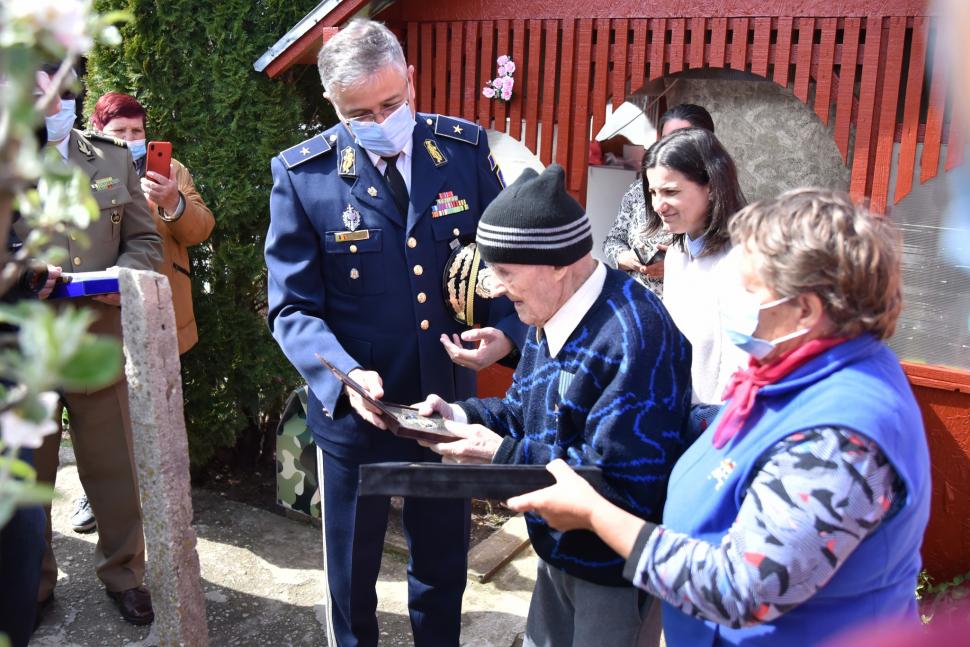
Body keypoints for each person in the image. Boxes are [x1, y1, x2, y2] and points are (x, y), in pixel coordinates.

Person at [508, 188, 931, 647]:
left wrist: (595, 514)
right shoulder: (798, 372)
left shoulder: (840, 435)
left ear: (806, 311)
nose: (734, 301)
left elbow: (741, 587)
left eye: (750, 289)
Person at [264, 19, 525, 647]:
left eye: (392, 103)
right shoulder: (306, 176)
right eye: (361, 112)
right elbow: (292, 308)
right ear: (333, 104)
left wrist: (508, 335)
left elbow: (506, 264)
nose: (382, 120)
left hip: (447, 407)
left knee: (442, 567)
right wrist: (345, 373)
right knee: (350, 573)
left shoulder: (460, 152)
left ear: (411, 79)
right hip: (357, 415)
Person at [417, 164, 692, 647]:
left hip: (613, 571)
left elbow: (616, 485)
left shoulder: (636, 336)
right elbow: (522, 408)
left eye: (504, 272)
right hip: (558, 550)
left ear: (559, 263)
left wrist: (500, 455)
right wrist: (456, 418)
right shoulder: (551, 311)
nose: (495, 289)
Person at [21, 65, 163, 627]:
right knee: (25, 475)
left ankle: (125, 575)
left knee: (115, 472)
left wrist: (119, 279)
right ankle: (29, 583)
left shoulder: (109, 157)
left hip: (99, 343)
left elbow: (145, 240)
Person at [64, 92, 216, 535]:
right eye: (120, 132)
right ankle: (95, 497)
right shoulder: (77, 168)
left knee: (158, 408)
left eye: (138, 132)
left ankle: (161, 495)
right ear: (97, 131)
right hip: (100, 311)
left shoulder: (171, 170)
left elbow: (201, 228)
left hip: (161, 308)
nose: (131, 140)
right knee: (101, 421)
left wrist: (173, 202)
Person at [642, 127, 749, 438]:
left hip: (722, 428)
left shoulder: (745, 258)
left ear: (712, 186)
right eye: (653, 192)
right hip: (677, 417)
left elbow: (741, 364)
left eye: (671, 192)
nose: (659, 205)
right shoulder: (676, 253)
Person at [603, 103, 714, 296]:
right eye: (666, 139)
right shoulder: (639, 190)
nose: (660, 206)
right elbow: (613, 240)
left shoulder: (716, 197)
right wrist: (625, 257)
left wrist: (677, 265)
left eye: (682, 140)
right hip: (635, 302)